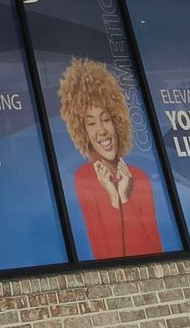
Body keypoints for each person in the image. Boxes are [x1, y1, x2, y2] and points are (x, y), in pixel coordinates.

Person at [57, 57, 164, 259]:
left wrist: (124, 196)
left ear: (117, 122)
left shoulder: (139, 177)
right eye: (91, 124)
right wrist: (114, 198)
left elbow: (154, 252)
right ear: (83, 132)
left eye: (106, 119)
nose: (102, 131)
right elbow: (107, 256)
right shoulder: (84, 178)